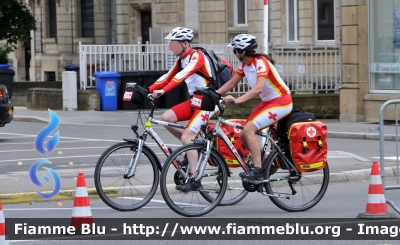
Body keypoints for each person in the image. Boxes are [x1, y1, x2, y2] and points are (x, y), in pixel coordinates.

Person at [216, 34, 293, 181]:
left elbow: (258, 88)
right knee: (243, 133)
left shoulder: (260, 63)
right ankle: (266, 165)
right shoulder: (245, 65)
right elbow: (232, 83)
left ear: (241, 52)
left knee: (249, 130)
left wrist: (237, 101)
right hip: (268, 102)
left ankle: (257, 169)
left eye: (235, 50)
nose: (235, 53)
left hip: (281, 101)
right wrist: (214, 93)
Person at [149, 27, 217, 192]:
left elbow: (181, 77)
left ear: (185, 43)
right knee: (167, 118)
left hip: (208, 101)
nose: (171, 47)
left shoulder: (197, 57)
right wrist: (147, 90)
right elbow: (168, 77)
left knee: (187, 137)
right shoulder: (181, 60)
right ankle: (193, 146)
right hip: (195, 100)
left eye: (174, 44)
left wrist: (163, 92)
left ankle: (194, 178)